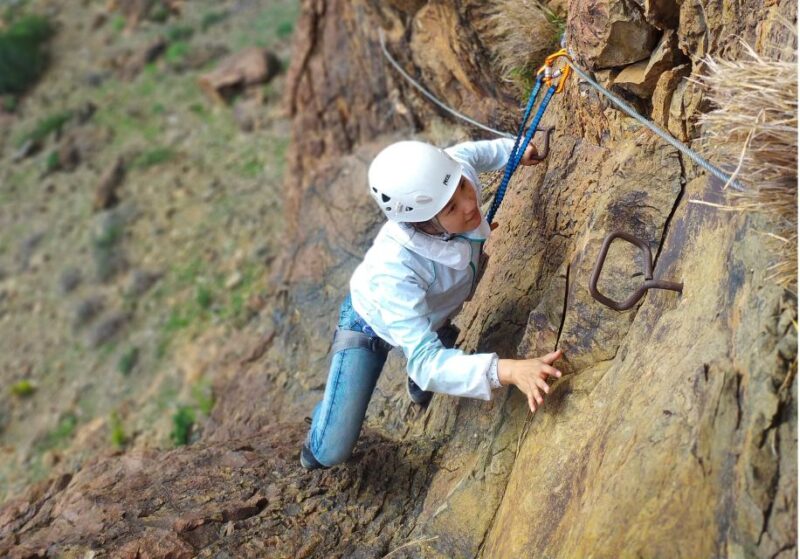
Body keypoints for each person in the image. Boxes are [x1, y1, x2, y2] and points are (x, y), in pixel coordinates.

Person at [300, 137, 564, 470]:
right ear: (421, 224)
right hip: (368, 324)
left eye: (464, 188)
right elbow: (425, 363)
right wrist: (509, 370)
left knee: (429, 352)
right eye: (451, 208)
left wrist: (514, 149)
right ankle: (321, 433)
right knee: (331, 452)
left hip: (432, 312)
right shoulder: (395, 267)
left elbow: (470, 153)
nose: (469, 204)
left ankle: (425, 372)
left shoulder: (447, 176)